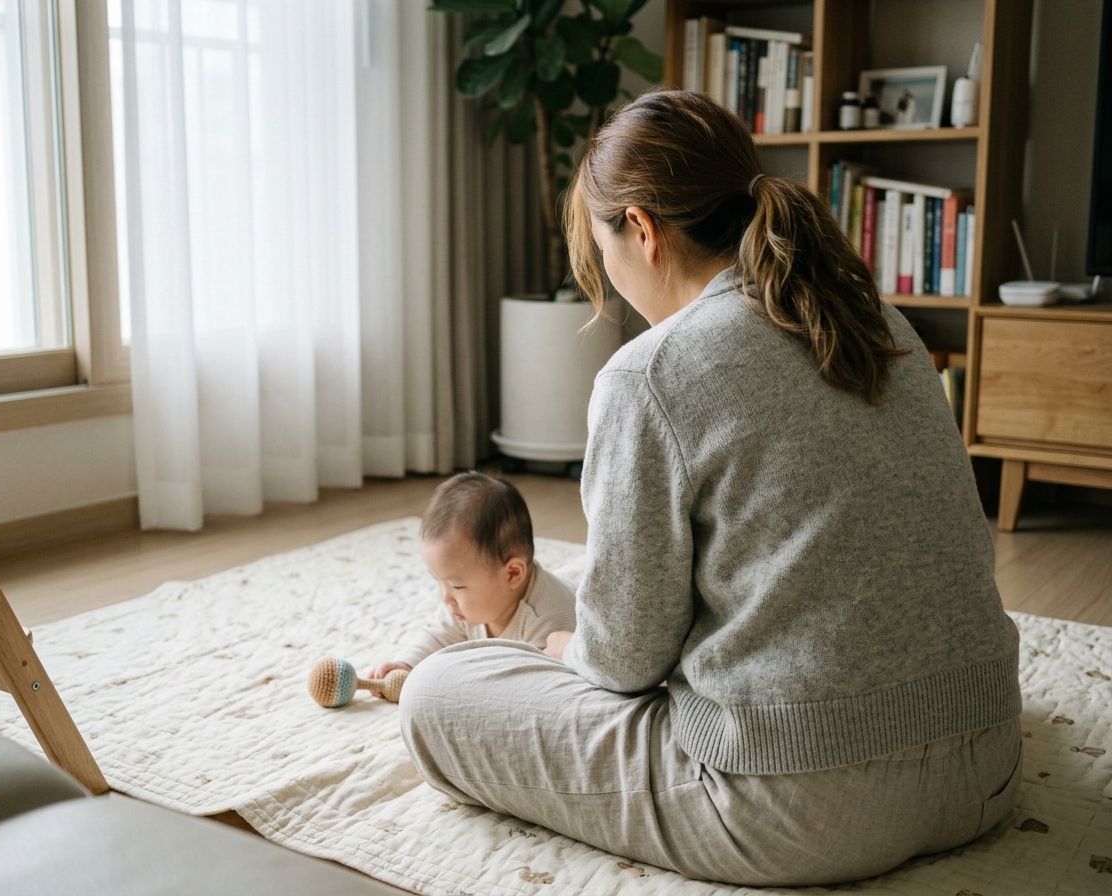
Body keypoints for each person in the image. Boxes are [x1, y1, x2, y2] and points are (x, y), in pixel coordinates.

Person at [398, 91, 1022, 887]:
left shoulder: (651, 374)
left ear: (644, 230)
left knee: (438, 692)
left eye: (604, 249)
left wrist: (568, 646)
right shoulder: (881, 320)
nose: (612, 279)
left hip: (802, 808)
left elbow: (625, 663)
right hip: (988, 758)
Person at [365, 472, 575, 692]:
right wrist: (407, 664)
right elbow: (438, 634)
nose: (446, 598)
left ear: (512, 574)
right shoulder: (467, 604)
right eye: (439, 581)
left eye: (456, 586)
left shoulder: (548, 625)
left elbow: (533, 692)